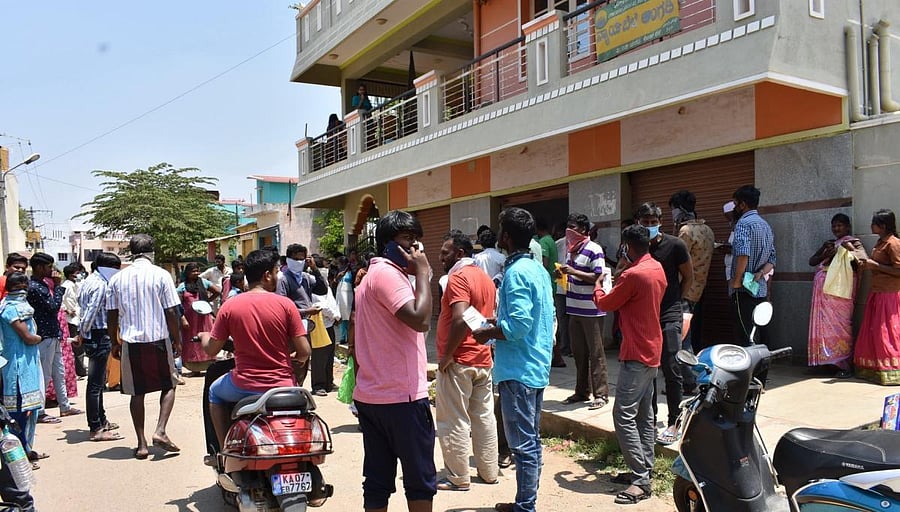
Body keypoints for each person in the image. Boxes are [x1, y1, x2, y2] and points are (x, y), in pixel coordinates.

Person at [353, 210, 436, 512]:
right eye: (408, 240)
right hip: (402, 398)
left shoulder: (372, 275)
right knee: (419, 481)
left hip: (373, 396)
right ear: (388, 244)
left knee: (377, 480)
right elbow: (421, 320)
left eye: (417, 240)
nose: (416, 249)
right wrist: (423, 273)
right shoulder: (389, 275)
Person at [473, 207, 554, 512]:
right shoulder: (537, 270)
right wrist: (498, 320)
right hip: (533, 365)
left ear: (506, 236)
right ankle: (525, 501)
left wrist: (490, 332)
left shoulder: (517, 272)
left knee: (523, 445)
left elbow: (519, 326)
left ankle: (525, 506)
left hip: (519, 370)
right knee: (529, 441)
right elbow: (536, 317)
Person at [200, 249, 310, 449]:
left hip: (243, 385)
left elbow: (211, 350)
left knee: (214, 392)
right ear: (267, 275)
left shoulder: (230, 306)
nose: (278, 276)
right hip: (283, 385)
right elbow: (305, 351)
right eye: (276, 272)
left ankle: (226, 450)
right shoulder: (286, 305)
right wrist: (294, 357)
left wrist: (203, 336)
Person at [592, 225, 666, 505]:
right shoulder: (656, 267)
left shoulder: (634, 275)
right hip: (651, 347)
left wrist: (598, 285)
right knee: (644, 415)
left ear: (628, 247)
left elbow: (607, 303)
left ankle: (640, 480)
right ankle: (644, 468)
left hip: (637, 351)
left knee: (623, 414)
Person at [106, 234, 182, 460]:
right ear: (152, 251)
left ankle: (141, 445)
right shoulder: (161, 274)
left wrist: (114, 342)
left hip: (131, 341)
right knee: (169, 384)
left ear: (131, 251)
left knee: (136, 392)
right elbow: (171, 311)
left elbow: (111, 314)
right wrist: (176, 339)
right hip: (158, 338)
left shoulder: (118, 279)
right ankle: (160, 429)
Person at [434, 230, 498, 492]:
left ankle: (458, 477)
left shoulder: (458, 277)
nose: (441, 258)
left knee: (454, 419)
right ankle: (489, 472)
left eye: (445, 253)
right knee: (484, 417)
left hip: (459, 360)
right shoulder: (485, 278)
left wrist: (447, 354)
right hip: (482, 357)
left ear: (460, 253)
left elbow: (460, 318)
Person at [634, 202, 692, 445]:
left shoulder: (675, 245)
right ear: (638, 222)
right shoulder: (635, 247)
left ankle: (675, 421)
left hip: (669, 312)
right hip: (645, 315)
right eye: (645, 222)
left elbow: (688, 276)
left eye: (653, 221)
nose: (649, 226)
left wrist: (683, 304)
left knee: (671, 365)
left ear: (660, 222)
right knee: (648, 369)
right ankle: (650, 419)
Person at [557, 213, 610, 411]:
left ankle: (601, 393)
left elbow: (598, 277)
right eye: (568, 227)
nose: (570, 231)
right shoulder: (570, 251)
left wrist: (573, 273)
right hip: (574, 307)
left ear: (585, 231)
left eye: (574, 228)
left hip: (592, 310)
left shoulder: (594, 249)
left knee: (596, 353)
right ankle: (581, 391)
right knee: (579, 353)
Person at [808, 213, 867, 378]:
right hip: (823, 295)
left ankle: (843, 364)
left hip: (840, 295)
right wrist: (826, 253)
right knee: (823, 329)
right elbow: (812, 261)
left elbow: (862, 261)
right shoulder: (829, 244)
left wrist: (849, 251)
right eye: (834, 226)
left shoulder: (853, 243)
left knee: (842, 327)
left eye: (840, 225)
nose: (836, 229)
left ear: (847, 227)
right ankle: (826, 362)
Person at [76, 252, 124, 442]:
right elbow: (91, 312)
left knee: (98, 382)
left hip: (94, 335)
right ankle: (95, 427)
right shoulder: (100, 285)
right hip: (98, 335)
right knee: (95, 384)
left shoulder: (89, 281)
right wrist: (82, 333)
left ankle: (102, 420)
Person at [27, 253, 80, 423]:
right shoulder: (34, 287)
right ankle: (40, 412)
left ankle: (64, 406)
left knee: (59, 372)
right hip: (44, 336)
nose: (52, 270)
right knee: (45, 374)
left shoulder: (42, 285)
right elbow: (53, 307)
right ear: (40, 267)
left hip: (53, 334)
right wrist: (58, 288)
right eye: (49, 267)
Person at [668, 191, 714, 369]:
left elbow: (675, 259)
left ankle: (688, 375)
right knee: (694, 332)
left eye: (672, 209)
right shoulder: (707, 229)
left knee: (682, 336)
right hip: (700, 288)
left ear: (679, 209)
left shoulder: (686, 231)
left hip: (683, 289)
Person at [0, 273, 44, 461]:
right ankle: (18, 457)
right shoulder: (10, 309)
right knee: (17, 414)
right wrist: (38, 338)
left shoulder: (15, 305)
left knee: (29, 412)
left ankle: (26, 449)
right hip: (17, 367)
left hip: (27, 363)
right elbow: (27, 336)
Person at [854, 209, 900, 385]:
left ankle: (892, 371)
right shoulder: (880, 242)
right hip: (877, 293)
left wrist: (875, 266)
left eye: (874, 223)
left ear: (882, 226)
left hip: (889, 295)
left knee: (886, 334)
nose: (870, 226)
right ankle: (874, 370)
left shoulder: (893, 244)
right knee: (873, 332)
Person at [728, 185, 776, 346]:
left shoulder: (743, 224)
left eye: (735, 204)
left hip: (743, 291)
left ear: (742, 204)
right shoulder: (766, 226)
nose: (734, 208)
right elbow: (772, 259)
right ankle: (763, 369)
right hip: (759, 289)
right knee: (763, 331)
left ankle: (747, 370)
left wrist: (736, 281)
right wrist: (761, 273)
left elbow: (743, 253)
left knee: (745, 334)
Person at [277, 244, 328, 387]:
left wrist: (315, 269)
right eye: (295, 259)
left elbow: (322, 289)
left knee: (304, 359)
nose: (299, 262)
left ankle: (298, 388)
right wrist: (306, 311)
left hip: (306, 325)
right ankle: (291, 389)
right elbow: (283, 307)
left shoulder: (306, 277)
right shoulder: (284, 280)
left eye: (302, 259)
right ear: (288, 259)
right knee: (294, 359)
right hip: (291, 327)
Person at [177, 262, 221, 372]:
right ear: (187, 273)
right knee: (190, 341)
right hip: (189, 320)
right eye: (193, 271)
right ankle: (193, 367)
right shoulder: (182, 286)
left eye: (197, 271)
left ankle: (207, 365)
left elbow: (217, 291)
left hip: (203, 318)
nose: (196, 273)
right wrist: (182, 319)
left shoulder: (204, 283)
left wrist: (207, 301)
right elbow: (178, 303)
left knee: (205, 339)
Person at [310, 255, 340, 397]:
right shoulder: (314, 284)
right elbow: (320, 305)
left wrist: (336, 315)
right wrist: (334, 315)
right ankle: (318, 385)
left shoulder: (325, 284)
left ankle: (329, 382)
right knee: (320, 357)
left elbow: (332, 301)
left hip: (330, 324)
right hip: (320, 324)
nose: (325, 269)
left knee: (329, 355)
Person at [61, 263, 87, 378]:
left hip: (78, 318)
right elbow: (60, 301)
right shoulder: (66, 286)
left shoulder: (76, 285)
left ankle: (80, 369)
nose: (80, 275)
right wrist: (67, 310)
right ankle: (79, 370)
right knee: (76, 345)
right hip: (71, 320)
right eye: (78, 273)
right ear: (71, 275)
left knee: (79, 345)